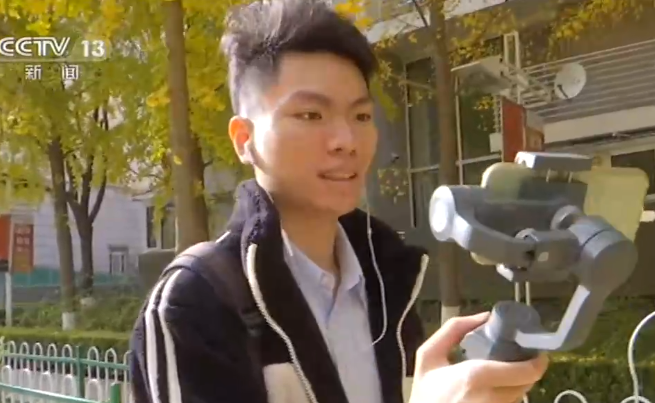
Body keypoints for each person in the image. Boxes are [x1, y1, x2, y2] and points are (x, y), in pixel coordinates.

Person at [129, 0, 548, 402]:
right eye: (311, 115)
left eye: (361, 116)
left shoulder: (389, 279)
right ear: (244, 139)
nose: (346, 140)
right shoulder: (197, 300)